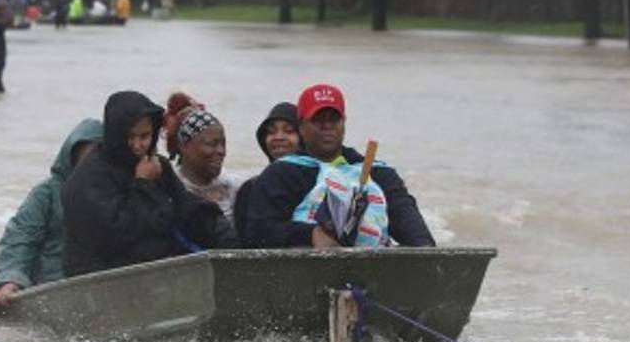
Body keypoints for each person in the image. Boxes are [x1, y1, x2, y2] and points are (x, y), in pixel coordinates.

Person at [62, 90, 237, 277]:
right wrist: (143, 183)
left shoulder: (156, 165)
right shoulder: (89, 178)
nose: (138, 145)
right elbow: (119, 234)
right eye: (130, 137)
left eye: (144, 136)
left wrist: (218, 229)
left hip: (157, 272)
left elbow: (184, 206)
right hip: (102, 277)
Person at [244, 84, 435, 249]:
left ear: (343, 122)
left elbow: (411, 226)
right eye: (318, 119)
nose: (327, 126)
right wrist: (310, 234)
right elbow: (256, 233)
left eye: (333, 118)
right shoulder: (282, 173)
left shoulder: (378, 172)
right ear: (301, 127)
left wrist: (425, 251)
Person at [0, 118, 105, 306]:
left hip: (97, 285)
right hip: (50, 286)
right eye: (84, 161)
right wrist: (10, 279)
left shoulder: (113, 191)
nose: (89, 169)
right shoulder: (47, 193)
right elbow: (20, 237)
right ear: (71, 158)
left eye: (95, 161)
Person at [232, 102, 301, 240]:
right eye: (271, 132)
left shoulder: (320, 181)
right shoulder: (250, 189)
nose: (279, 137)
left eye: (289, 131)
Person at [172, 98, 241, 227]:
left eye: (223, 144)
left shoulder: (234, 186)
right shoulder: (171, 188)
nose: (221, 151)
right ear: (184, 147)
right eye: (211, 144)